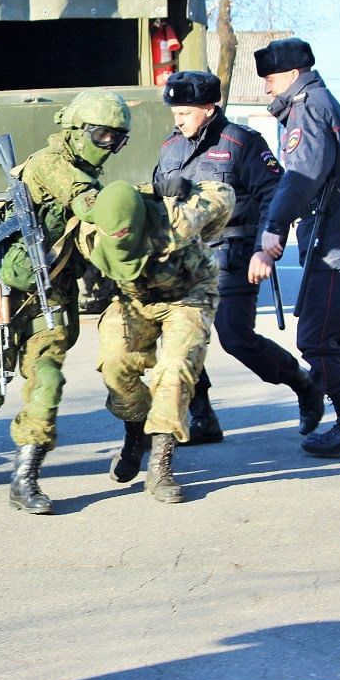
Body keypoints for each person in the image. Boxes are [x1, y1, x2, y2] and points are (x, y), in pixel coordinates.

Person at [0, 90, 131, 514]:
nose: (110, 147)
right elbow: (89, 205)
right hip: (2, 291)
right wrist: (141, 199)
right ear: (78, 130)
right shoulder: (51, 164)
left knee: (47, 379)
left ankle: (25, 478)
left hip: (53, 294)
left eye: (118, 140)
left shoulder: (85, 172)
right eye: (103, 136)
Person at [153, 70, 323, 444]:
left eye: (185, 111)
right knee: (180, 342)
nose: (178, 119)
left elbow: (274, 194)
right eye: (175, 112)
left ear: (209, 109)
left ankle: (303, 383)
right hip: (182, 264)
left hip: (231, 258)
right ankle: (203, 417)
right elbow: (155, 198)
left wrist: (265, 246)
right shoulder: (170, 148)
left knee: (236, 338)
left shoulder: (242, 143)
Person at [255, 37, 340, 457]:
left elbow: (302, 175)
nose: (268, 89)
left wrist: (274, 225)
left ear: (292, 75)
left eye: (271, 79)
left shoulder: (307, 108)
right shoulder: (331, 105)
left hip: (335, 238)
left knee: (318, 338)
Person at [76, 179, 235, 503]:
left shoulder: (176, 218)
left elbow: (225, 195)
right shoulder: (90, 233)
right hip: (133, 299)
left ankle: (160, 464)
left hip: (188, 295)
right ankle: (136, 436)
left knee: (175, 371)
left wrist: (188, 192)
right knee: (115, 362)